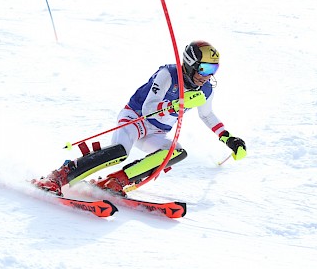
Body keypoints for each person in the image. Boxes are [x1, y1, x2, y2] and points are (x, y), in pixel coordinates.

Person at [32, 40, 247, 197]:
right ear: (191, 63)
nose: (207, 75)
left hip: (156, 132)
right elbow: (148, 108)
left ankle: (116, 181)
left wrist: (228, 138)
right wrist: (176, 104)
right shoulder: (168, 75)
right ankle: (59, 176)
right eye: (204, 68)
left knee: (176, 152)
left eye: (214, 69)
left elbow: (207, 114)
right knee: (119, 152)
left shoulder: (205, 88)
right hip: (134, 120)